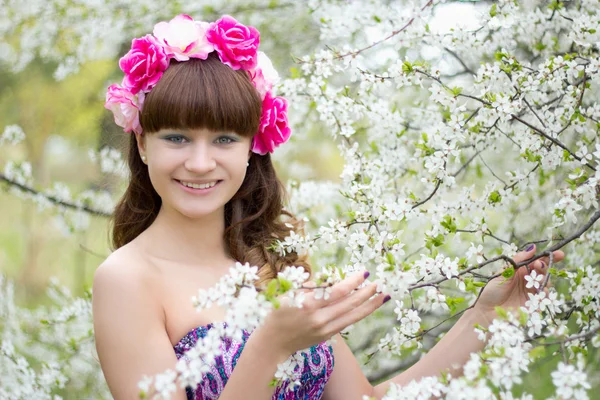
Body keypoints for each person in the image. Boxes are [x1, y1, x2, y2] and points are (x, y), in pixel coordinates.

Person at [92, 14, 565, 400]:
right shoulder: (127, 280)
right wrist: (270, 346)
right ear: (143, 142)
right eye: (176, 138)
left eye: (224, 139)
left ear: (251, 146)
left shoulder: (267, 259)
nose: (200, 162)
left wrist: (484, 318)